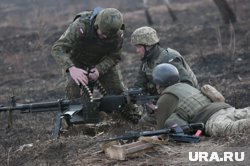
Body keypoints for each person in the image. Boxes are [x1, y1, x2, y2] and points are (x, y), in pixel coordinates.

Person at [151, 63, 250, 137]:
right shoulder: (185, 86)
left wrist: (154, 111)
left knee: (234, 128)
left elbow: (161, 132)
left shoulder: (165, 98)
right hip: (225, 109)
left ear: (159, 84)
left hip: (212, 119)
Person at [51, 7, 125, 99]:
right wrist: (71, 68)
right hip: (77, 62)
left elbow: (115, 56)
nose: (105, 37)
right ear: (97, 25)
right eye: (102, 33)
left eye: (108, 35)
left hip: (101, 61)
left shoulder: (117, 34)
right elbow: (58, 48)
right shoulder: (81, 26)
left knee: (119, 95)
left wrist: (99, 69)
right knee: (74, 98)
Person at [130, 26, 198, 96]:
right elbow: (140, 84)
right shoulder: (146, 61)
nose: (137, 51)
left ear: (148, 45)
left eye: (139, 47)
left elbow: (187, 84)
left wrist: (164, 100)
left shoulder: (169, 58)